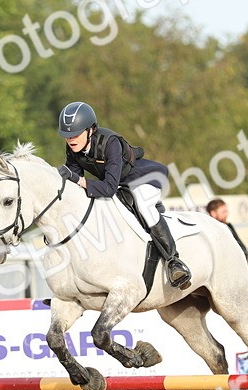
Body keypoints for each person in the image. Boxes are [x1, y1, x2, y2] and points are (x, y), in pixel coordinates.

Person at [56, 101, 191, 289]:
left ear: (90, 130)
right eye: (67, 136)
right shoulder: (74, 147)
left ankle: (174, 262)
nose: (71, 140)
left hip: (146, 178)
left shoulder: (110, 143)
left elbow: (107, 188)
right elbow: (75, 183)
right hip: (120, 185)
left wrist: (78, 180)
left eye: (75, 134)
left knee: (143, 206)